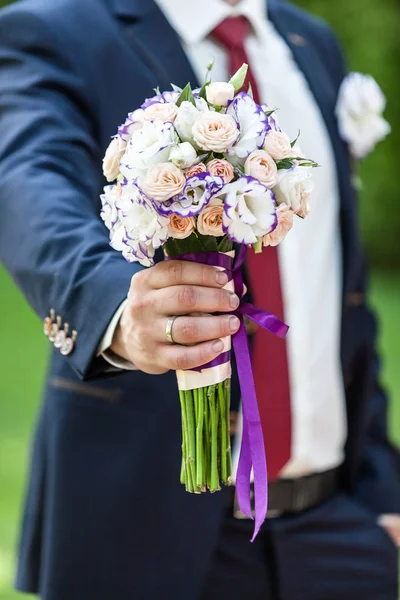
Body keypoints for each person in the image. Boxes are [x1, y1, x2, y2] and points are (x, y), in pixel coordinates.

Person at [0, 0, 399, 598]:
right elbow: (30, 188)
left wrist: (383, 495)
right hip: (144, 539)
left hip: (340, 531)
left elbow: (340, 292)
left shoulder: (312, 43)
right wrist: (118, 312)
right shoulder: (56, 29)